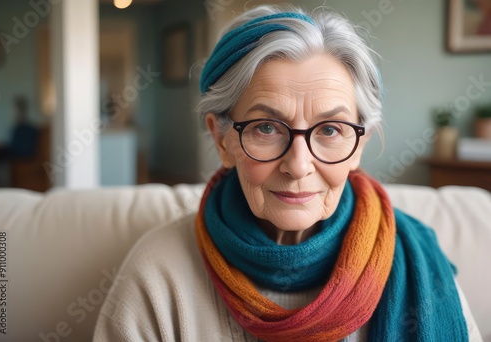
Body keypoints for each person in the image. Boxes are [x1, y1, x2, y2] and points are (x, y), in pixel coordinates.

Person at [94, 5, 482, 341]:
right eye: (266, 127)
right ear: (222, 140)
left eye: (330, 130)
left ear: (358, 147)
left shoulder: (418, 259)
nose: (298, 165)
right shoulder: (158, 273)